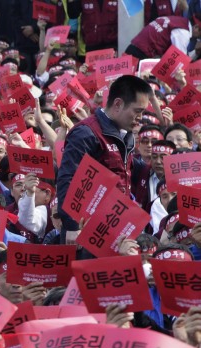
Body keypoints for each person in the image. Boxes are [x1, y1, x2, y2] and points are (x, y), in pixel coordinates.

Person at [55, 75, 154, 245]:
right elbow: (68, 179)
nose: (140, 118)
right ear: (118, 104)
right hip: (85, 228)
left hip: (116, 224)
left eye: (143, 112)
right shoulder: (86, 133)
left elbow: (126, 170)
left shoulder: (125, 134)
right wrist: (72, 226)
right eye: (137, 111)